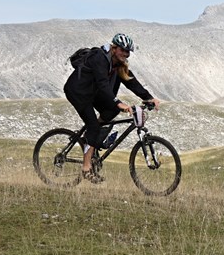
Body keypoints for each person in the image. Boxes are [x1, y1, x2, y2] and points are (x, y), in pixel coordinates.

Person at [63, 33, 160, 183]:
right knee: (94, 126)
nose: (126, 54)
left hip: (93, 92)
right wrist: (118, 102)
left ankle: (90, 138)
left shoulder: (118, 65)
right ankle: (86, 168)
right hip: (78, 92)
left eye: (128, 52)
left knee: (111, 111)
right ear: (114, 48)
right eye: (123, 50)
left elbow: (131, 82)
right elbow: (103, 84)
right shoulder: (99, 58)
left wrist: (148, 97)